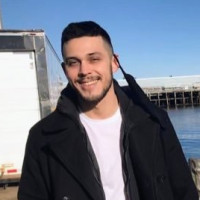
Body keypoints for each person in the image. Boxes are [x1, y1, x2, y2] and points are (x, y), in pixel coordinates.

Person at [18, 21, 198, 200]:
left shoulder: (154, 121)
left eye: (94, 59)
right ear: (65, 70)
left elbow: (184, 191)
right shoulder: (42, 137)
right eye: (73, 62)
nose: (84, 70)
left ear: (114, 62)